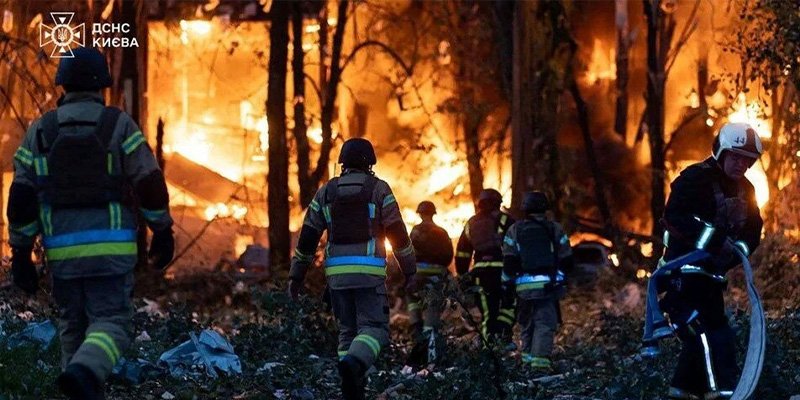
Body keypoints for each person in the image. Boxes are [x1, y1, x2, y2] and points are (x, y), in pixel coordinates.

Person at [7, 47, 174, 400]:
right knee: (112, 323)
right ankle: (84, 372)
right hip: (111, 252)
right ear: (102, 85)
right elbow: (149, 182)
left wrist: (21, 252)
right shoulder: (118, 125)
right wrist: (162, 228)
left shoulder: (41, 131)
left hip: (62, 252)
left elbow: (21, 195)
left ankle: (79, 386)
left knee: (73, 326)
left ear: (63, 84)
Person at [288, 138, 416, 400]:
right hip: (368, 275)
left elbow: (308, 238)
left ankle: (352, 390)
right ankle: (354, 365)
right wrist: (410, 271)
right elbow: (397, 234)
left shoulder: (326, 192)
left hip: (336, 277)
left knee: (347, 331)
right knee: (374, 329)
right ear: (370, 164)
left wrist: (296, 276)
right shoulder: (379, 189)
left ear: (342, 163)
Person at [656, 123, 763, 399]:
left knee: (720, 336)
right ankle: (717, 393)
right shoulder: (694, 179)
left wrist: (736, 250)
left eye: (747, 159)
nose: (741, 163)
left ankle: (683, 391)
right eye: (736, 156)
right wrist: (716, 241)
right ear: (721, 151)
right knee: (700, 335)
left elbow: (753, 231)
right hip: (680, 277)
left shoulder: (747, 191)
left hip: (710, 281)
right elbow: (675, 217)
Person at [501, 191, 573, 371]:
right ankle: (539, 366)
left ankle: (526, 362)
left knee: (526, 324)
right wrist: (563, 279)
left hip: (523, 288)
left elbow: (509, 262)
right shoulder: (554, 228)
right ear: (545, 209)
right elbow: (567, 258)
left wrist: (506, 286)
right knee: (545, 323)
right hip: (547, 287)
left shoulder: (514, 230)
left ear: (525, 209)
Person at [455, 189, 515, 344]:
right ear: (498, 203)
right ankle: (502, 337)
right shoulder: (506, 220)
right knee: (509, 305)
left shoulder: (471, 223)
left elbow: (462, 252)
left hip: (481, 275)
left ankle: (489, 347)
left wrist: (462, 275)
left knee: (488, 313)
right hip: (504, 273)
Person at [405, 200, 454, 365]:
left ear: (419, 213)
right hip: (436, 277)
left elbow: (408, 252)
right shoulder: (442, 232)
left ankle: (416, 326)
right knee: (432, 312)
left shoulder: (415, 232)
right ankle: (431, 355)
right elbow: (448, 255)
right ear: (433, 213)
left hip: (417, 276)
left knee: (413, 301)